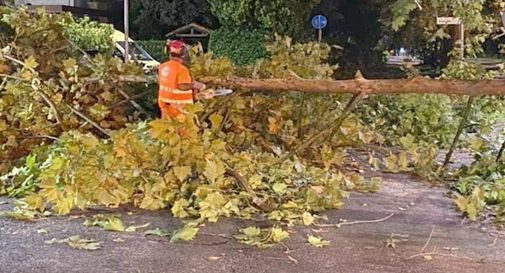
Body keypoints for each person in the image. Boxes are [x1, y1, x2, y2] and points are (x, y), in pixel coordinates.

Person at [157, 40, 208, 119]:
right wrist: (196, 85)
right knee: (183, 129)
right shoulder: (181, 69)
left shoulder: (162, 66)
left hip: (165, 103)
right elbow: (182, 86)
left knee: (168, 128)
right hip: (179, 106)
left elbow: (168, 83)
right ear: (182, 54)